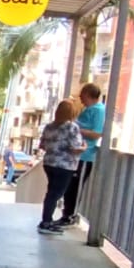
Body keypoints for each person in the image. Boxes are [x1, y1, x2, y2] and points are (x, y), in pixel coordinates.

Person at [37, 98, 85, 236]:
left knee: (51, 192)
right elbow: (75, 148)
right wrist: (84, 147)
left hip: (49, 163)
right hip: (64, 165)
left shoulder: (49, 126)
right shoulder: (71, 127)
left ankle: (46, 220)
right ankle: (46, 222)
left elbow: (42, 145)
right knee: (55, 194)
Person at [61, 83, 106, 226]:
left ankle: (70, 215)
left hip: (85, 155)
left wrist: (75, 129)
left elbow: (96, 133)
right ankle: (66, 213)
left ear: (88, 95)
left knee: (75, 187)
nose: (80, 98)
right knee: (69, 186)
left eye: (82, 95)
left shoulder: (98, 111)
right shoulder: (89, 109)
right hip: (76, 154)